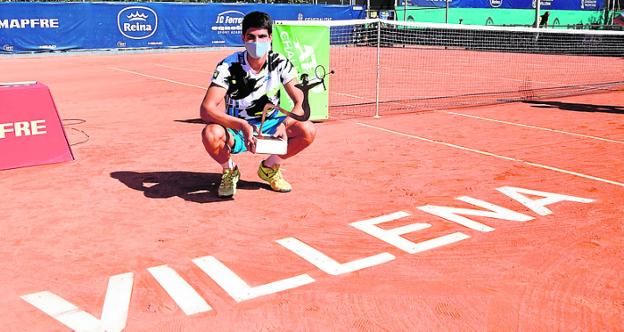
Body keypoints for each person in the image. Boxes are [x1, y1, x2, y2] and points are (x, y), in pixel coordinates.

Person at [199, 11, 316, 198]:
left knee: (307, 130)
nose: (257, 42)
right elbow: (206, 109)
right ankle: (229, 170)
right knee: (211, 133)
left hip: (269, 125)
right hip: (236, 128)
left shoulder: (280, 63)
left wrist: (284, 125)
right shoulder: (228, 66)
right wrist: (242, 125)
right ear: (243, 38)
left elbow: (300, 103)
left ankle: (270, 167)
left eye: (262, 37)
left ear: (270, 37)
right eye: (251, 37)